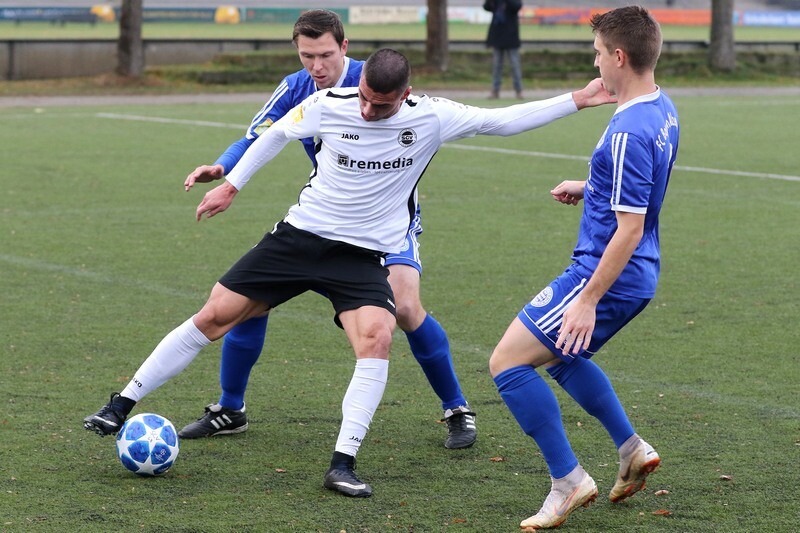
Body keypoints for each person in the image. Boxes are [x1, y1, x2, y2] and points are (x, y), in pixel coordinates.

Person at [84, 47, 615, 498]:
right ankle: (120, 404)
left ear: (405, 95)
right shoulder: (328, 103)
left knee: (379, 336)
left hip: (360, 256)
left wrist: (579, 98)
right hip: (299, 238)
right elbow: (274, 135)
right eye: (363, 97)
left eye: (380, 104)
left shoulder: (432, 116)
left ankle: (343, 463)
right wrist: (232, 184)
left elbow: (504, 120)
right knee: (214, 316)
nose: (366, 110)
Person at [179, 9, 477, 450]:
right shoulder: (297, 88)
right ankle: (230, 407)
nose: (316, 66)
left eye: (324, 55)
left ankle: (456, 408)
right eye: (307, 56)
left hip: (385, 224)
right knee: (249, 302)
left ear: (344, 47)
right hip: (324, 220)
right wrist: (224, 168)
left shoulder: (374, 81)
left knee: (406, 308)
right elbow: (258, 135)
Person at [488, 6, 679, 529]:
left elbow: (629, 228)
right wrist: (592, 187)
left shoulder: (626, 132)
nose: (594, 63)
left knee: (508, 363)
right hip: (639, 273)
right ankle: (631, 448)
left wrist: (587, 300)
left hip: (606, 274)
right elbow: (641, 191)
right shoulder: (661, 108)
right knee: (563, 357)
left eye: (597, 53)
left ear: (618, 56)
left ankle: (567, 481)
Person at [483, 0, 523, 99]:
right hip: (498, 35)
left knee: (514, 65)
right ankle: (495, 91)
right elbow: (486, 7)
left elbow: (517, 6)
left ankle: (519, 90)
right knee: (497, 66)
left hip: (511, 35)